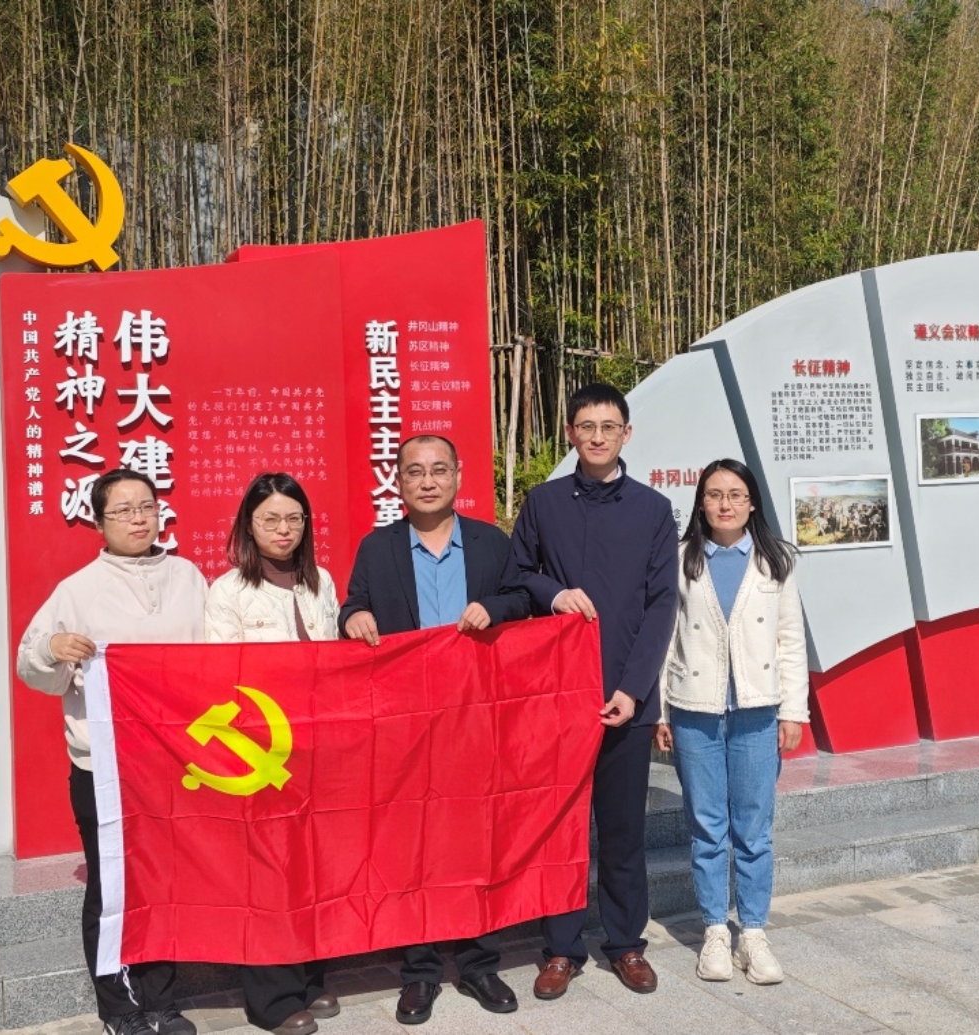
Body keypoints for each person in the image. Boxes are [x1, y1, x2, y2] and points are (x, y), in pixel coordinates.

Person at [338, 434, 532, 1025]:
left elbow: (522, 597)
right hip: (407, 723)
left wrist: (496, 608)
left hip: (477, 719)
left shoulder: (490, 542)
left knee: (479, 840)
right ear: (398, 480)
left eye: (439, 470)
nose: (428, 481)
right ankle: (419, 971)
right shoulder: (378, 547)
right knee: (412, 846)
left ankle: (478, 962)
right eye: (415, 471)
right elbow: (351, 606)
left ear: (458, 475)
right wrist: (355, 616)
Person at [16, 468, 206, 1035]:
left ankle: (162, 1000)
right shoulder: (77, 590)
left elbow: (215, 660)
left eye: (146, 506)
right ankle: (120, 1009)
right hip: (106, 766)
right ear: (99, 522)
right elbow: (31, 665)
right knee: (113, 888)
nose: (138, 518)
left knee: (166, 884)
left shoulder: (189, 577)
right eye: (122, 510)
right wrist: (53, 647)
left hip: (176, 763)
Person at [508, 382, 679, 1000]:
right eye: (587, 426)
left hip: (625, 701)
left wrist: (634, 690)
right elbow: (515, 574)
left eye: (609, 427)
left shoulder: (653, 510)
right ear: (571, 434)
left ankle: (627, 944)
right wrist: (552, 592)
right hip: (557, 696)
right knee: (560, 828)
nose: (598, 437)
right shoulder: (544, 502)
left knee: (623, 829)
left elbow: (662, 605)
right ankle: (560, 948)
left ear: (626, 434)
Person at [653, 459, 808, 987]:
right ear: (700, 502)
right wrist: (659, 710)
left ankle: (755, 931)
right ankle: (716, 930)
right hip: (694, 709)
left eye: (736, 494)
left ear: (752, 502)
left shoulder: (776, 559)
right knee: (707, 826)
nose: (725, 504)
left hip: (757, 710)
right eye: (715, 494)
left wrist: (794, 710)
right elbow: (665, 639)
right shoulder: (680, 560)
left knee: (754, 829)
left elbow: (790, 639)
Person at [205, 472, 341, 1035]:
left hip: (320, 750)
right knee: (267, 875)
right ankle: (272, 999)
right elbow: (221, 680)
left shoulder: (321, 582)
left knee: (314, 866)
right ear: (248, 525)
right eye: (269, 520)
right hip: (263, 755)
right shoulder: (228, 592)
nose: (283, 530)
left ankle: (310, 978)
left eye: (293, 519)